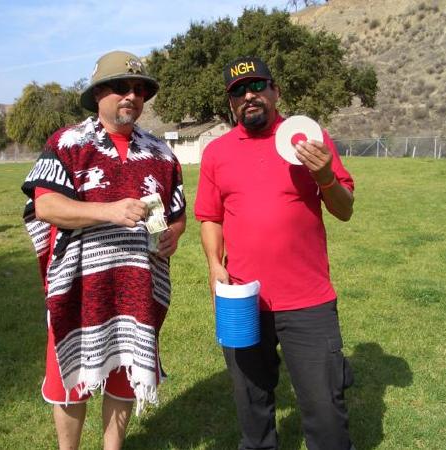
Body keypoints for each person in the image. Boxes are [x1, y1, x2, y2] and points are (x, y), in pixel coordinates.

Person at [21, 50, 186, 450]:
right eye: (120, 87)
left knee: (126, 375)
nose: (132, 96)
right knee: (72, 380)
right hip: (80, 286)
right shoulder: (68, 142)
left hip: (137, 286)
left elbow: (178, 213)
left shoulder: (161, 152)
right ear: (98, 94)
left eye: (139, 90)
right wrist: (108, 211)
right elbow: (46, 206)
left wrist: (174, 235)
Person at [194, 56, 356, 450]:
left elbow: (345, 209)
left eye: (257, 86)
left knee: (325, 409)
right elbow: (210, 217)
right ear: (230, 103)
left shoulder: (308, 138)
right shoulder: (217, 152)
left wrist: (324, 176)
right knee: (251, 405)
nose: (248, 96)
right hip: (242, 300)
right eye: (238, 91)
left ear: (275, 91)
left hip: (308, 299)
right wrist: (214, 264)